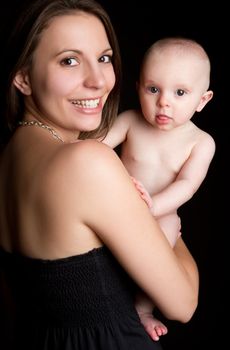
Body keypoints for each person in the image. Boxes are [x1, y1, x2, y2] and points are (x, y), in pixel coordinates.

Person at [0, 1, 199, 349]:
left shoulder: (10, 157)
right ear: (24, 77)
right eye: (69, 60)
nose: (98, 81)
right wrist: (166, 214)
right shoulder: (86, 161)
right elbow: (183, 304)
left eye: (104, 58)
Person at [102, 36, 215, 341]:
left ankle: (142, 309)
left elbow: (187, 185)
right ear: (139, 87)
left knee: (162, 240)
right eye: (153, 89)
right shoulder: (130, 121)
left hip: (159, 212)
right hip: (116, 204)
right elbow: (97, 149)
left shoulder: (200, 142)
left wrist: (152, 206)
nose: (164, 101)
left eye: (180, 93)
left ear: (202, 100)